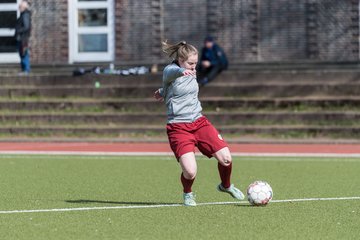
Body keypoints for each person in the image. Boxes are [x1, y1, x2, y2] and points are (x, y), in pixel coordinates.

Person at [154, 41, 244, 206]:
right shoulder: (171, 70)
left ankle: (226, 185)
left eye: (195, 63)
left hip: (199, 122)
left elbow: (175, 88)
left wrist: (163, 91)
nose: (194, 67)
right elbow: (172, 74)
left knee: (226, 159)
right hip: (178, 127)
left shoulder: (191, 70)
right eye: (190, 63)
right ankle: (188, 193)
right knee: (190, 172)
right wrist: (182, 71)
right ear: (180, 60)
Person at [15, 0, 31, 75]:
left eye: (20, 6)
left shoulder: (25, 15)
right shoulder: (23, 15)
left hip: (23, 39)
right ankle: (24, 70)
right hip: (21, 39)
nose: (19, 7)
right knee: (22, 54)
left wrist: (18, 30)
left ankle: (26, 70)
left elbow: (26, 27)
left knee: (24, 54)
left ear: (24, 7)